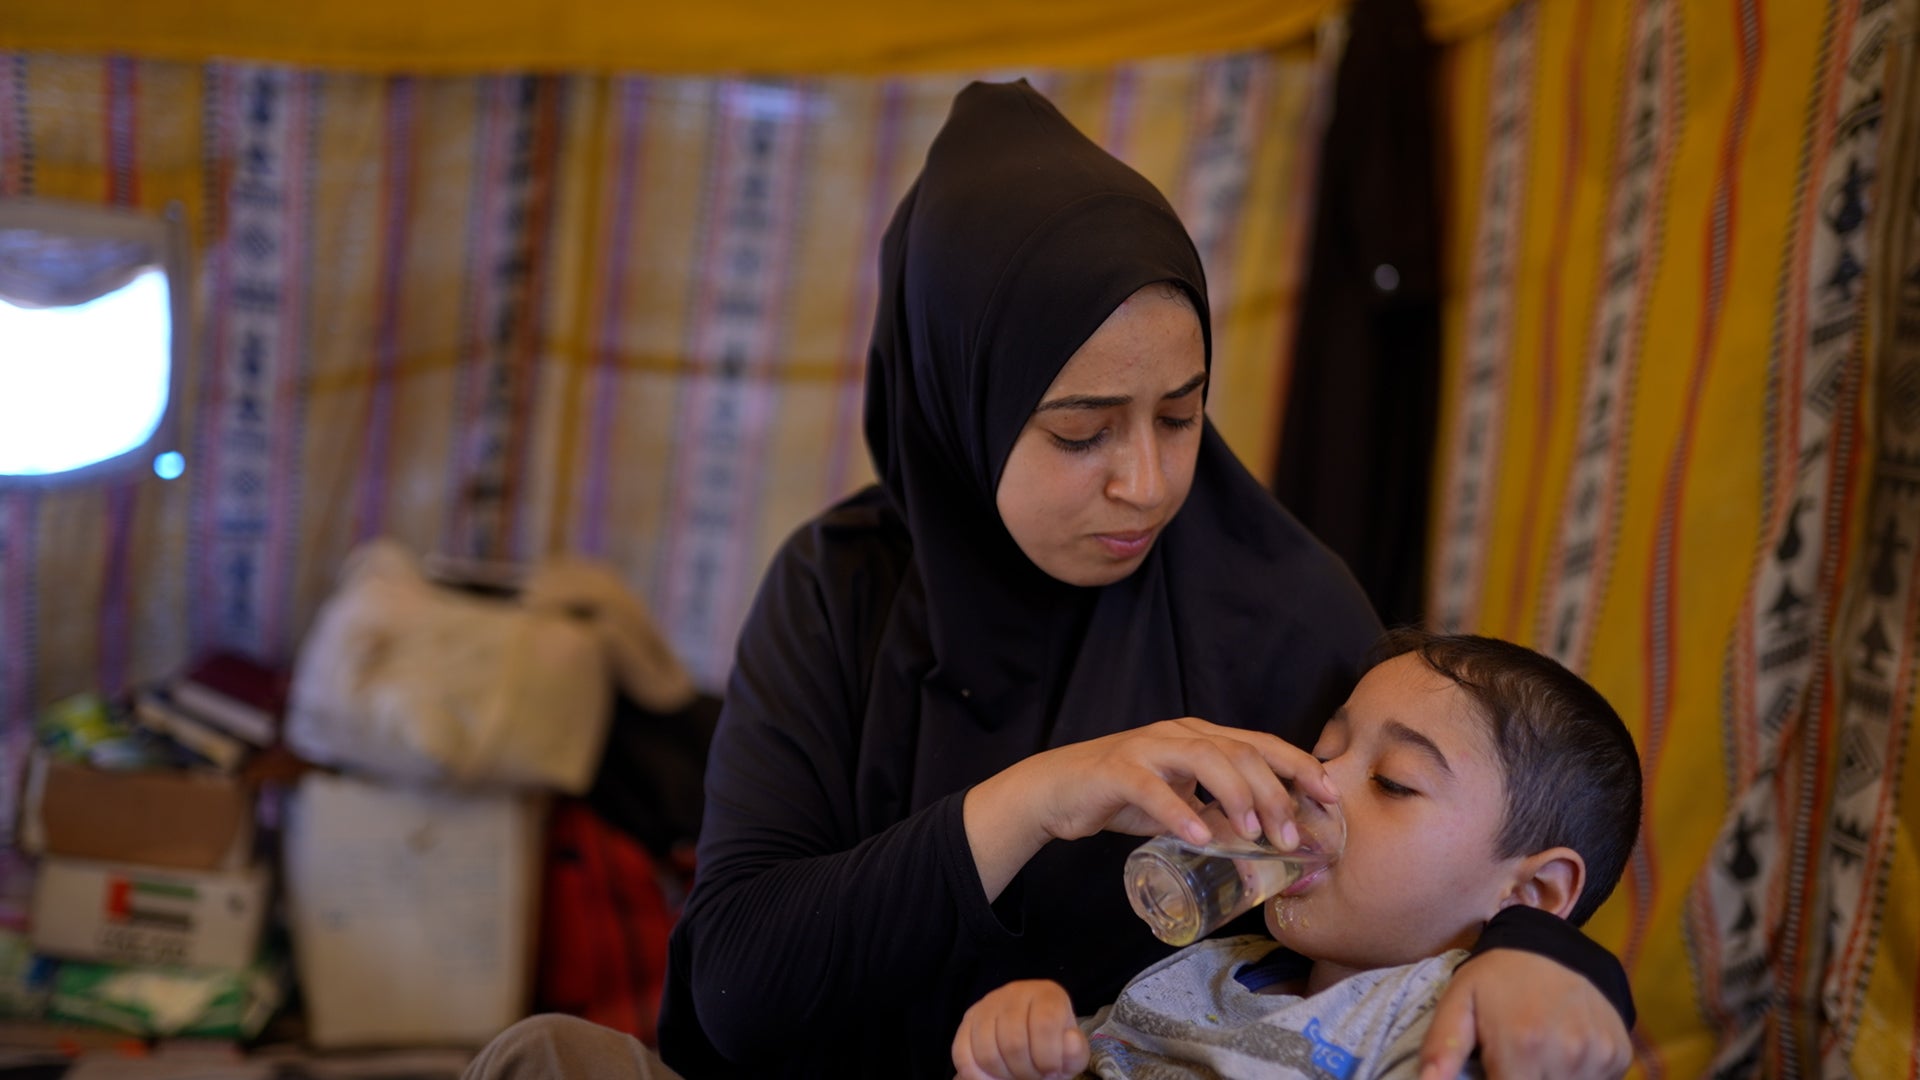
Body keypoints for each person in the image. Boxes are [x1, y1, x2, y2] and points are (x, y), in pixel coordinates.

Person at [464, 79, 1634, 1080]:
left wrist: (1552, 956)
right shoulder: (841, 593)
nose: (1145, 483)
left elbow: (1459, 838)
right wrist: (1043, 799)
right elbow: (737, 988)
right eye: (1081, 433)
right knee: (549, 1058)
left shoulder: (1277, 613)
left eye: (1181, 416)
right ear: (958, 409)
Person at [951, 630, 1641, 1080]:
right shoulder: (1216, 966)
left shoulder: (1459, 1022)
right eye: (1322, 751)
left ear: (1533, 897)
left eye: (1392, 782)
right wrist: (1026, 1050)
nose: (1317, 784)